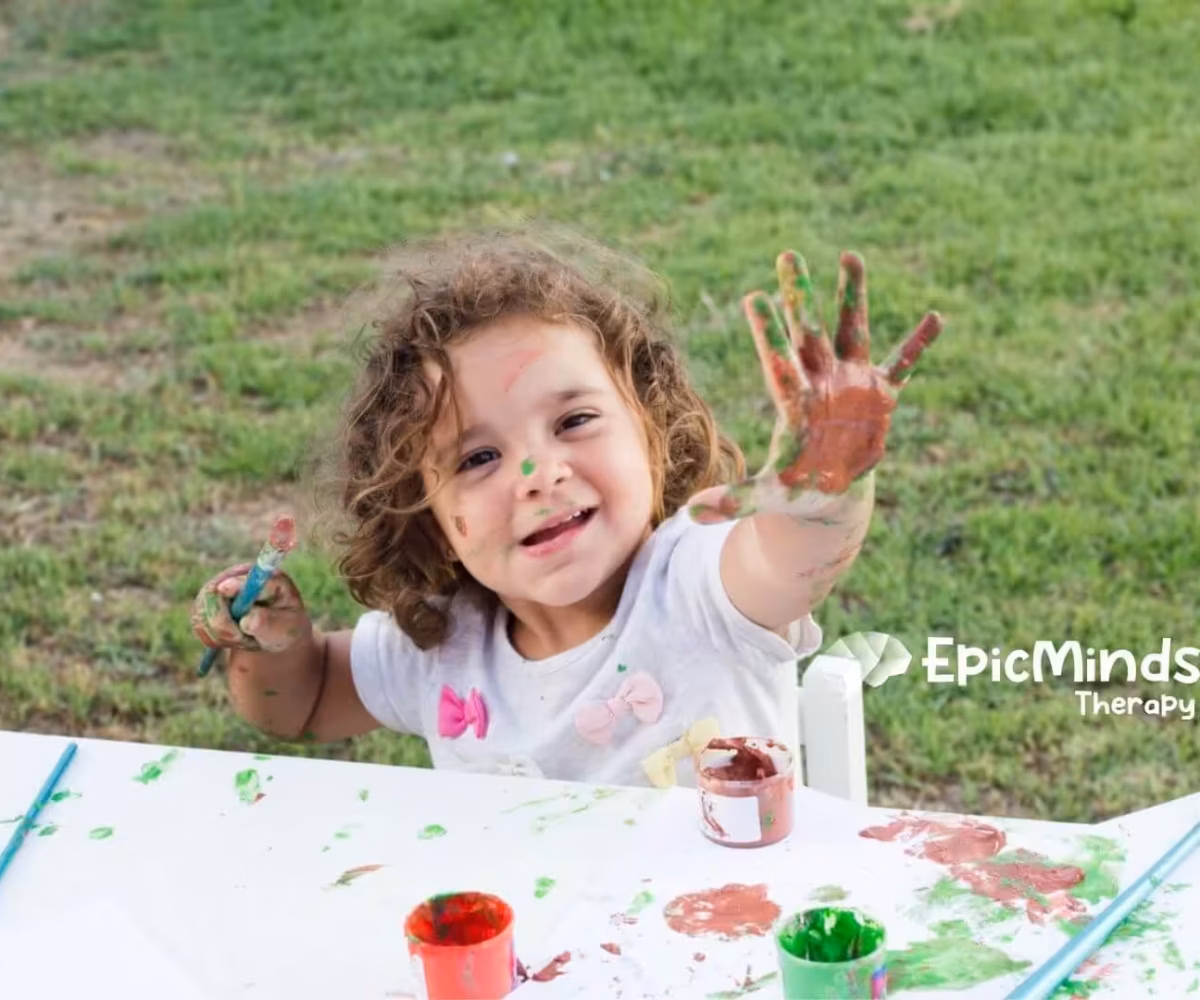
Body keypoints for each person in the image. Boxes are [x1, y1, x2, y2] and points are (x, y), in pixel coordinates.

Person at [191, 229, 941, 787]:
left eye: (574, 421)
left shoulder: (698, 585)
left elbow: (792, 556)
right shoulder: (441, 643)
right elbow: (304, 701)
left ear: (651, 429)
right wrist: (275, 646)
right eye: (478, 458)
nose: (538, 473)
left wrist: (825, 485)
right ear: (423, 510)